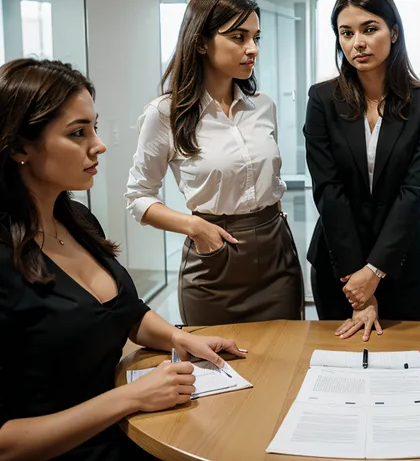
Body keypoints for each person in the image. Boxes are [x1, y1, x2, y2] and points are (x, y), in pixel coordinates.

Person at [0, 58, 247, 461]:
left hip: (128, 433)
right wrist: (130, 397)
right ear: (18, 147)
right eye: (78, 133)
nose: (98, 144)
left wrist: (179, 337)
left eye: (94, 127)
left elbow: (123, 311)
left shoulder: (78, 220)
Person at [125, 0, 303, 326]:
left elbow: (271, 181)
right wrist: (193, 226)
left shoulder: (263, 106)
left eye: (256, 37)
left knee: (285, 360)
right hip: (213, 258)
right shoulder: (166, 114)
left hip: (276, 254)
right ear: (202, 41)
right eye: (238, 37)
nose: (252, 49)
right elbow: (138, 198)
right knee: (220, 371)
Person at [304, 0, 420, 341]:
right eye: (346, 33)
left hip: (402, 265)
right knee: (335, 375)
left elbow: (415, 191)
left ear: (393, 32)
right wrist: (356, 278)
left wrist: (375, 271)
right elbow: (328, 189)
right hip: (337, 266)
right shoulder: (322, 99)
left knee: (404, 371)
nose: (357, 43)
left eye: (369, 29)